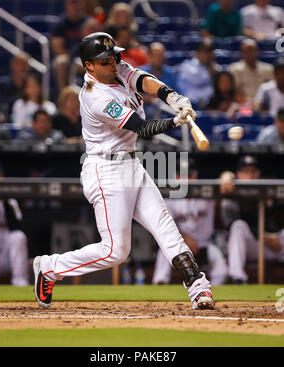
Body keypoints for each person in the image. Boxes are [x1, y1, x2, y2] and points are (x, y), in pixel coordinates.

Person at [33, 32, 215, 310]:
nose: (113, 63)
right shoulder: (95, 97)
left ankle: (198, 287)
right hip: (105, 171)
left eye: (114, 57)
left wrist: (172, 96)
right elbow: (141, 128)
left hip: (131, 164)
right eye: (104, 61)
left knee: (165, 226)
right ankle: (50, 267)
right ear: (88, 66)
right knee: (115, 251)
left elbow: (142, 80)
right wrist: (175, 121)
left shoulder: (117, 70)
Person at [152, 159, 228, 286]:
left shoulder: (206, 192)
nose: (186, 179)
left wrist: (227, 176)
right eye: (182, 175)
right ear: (175, 176)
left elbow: (224, 179)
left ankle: (210, 293)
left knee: (222, 271)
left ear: (195, 176)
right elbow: (164, 227)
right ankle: (159, 286)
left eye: (189, 175)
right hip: (179, 245)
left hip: (204, 245)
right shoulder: (169, 197)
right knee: (164, 251)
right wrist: (186, 238)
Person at [219, 155, 282, 283]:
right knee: (239, 226)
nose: (250, 175)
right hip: (250, 245)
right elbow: (230, 225)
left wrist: (272, 236)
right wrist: (226, 175)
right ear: (238, 174)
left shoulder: (268, 186)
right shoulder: (232, 189)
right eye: (245, 172)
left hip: (274, 245)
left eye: (253, 171)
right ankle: (238, 278)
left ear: (258, 173)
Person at [0, 159, 29, 286]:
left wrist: (4, 198)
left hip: (5, 255)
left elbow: (17, 227)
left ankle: (20, 282)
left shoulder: (10, 201)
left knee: (18, 237)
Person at [51, 0, 87, 91]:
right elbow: (58, 49)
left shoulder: (88, 22)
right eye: (72, 2)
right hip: (68, 57)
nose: (75, 6)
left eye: (77, 2)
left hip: (86, 56)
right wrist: (73, 60)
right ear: (67, 5)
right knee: (61, 61)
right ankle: (65, 96)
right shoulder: (60, 24)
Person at [176, 40, 221, 109]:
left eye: (210, 52)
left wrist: (216, 74)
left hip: (211, 105)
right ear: (198, 53)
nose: (208, 55)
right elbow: (197, 81)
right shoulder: (187, 66)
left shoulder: (215, 68)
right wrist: (211, 74)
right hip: (190, 104)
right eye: (205, 52)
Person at [140, 42, 178, 119]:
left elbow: (176, 93)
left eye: (161, 55)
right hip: (144, 115)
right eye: (156, 55)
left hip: (167, 113)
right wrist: (151, 99)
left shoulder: (170, 73)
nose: (159, 58)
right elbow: (132, 95)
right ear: (149, 56)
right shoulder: (140, 72)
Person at [0, 52, 30, 120]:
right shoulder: (2, 84)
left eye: (25, 64)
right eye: (19, 64)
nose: (22, 68)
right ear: (12, 65)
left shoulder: (32, 85)